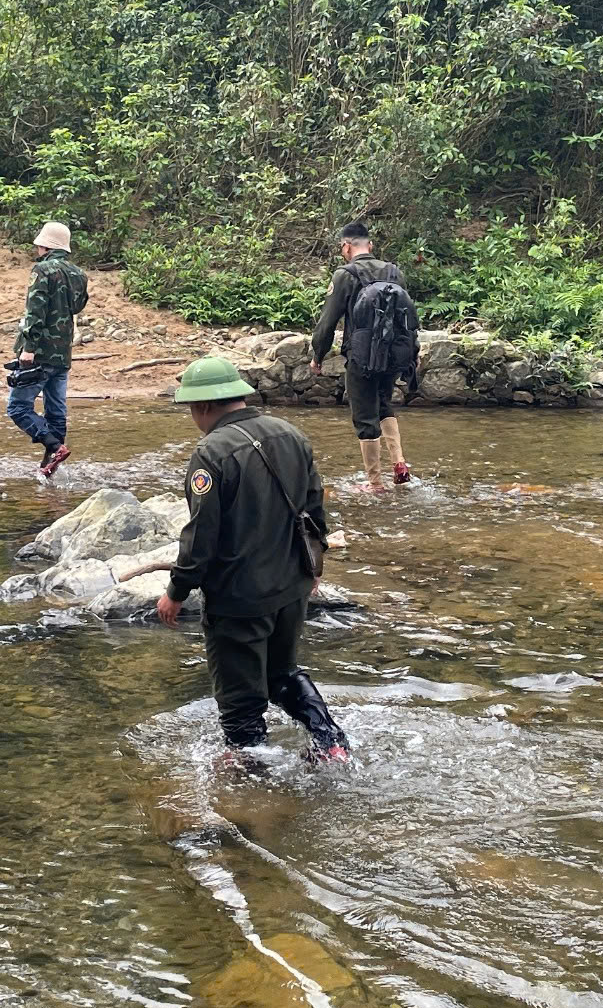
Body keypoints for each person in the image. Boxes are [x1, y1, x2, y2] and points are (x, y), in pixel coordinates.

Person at [156, 355, 350, 768]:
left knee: (240, 699)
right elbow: (315, 511)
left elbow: (200, 536)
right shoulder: (291, 435)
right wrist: (313, 570)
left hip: (239, 597)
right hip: (292, 585)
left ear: (203, 406)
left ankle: (251, 778)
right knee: (281, 673)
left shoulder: (211, 454)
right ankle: (329, 739)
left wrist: (176, 591)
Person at [309, 222, 416, 488]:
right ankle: (399, 462)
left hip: (361, 356)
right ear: (370, 245)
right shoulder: (394, 272)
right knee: (383, 403)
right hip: (393, 354)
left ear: (346, 247)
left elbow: (327, 322)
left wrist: (318, 355)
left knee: (364, 415)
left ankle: (375, 483)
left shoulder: (345, 275)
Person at [9, 221, 88, 480]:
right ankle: (49, 470)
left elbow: (35, 310)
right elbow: (77, 307)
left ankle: (55, 447)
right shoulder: (79, 274)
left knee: (18, 407)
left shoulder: (42, 270)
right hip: (63, 353)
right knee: (56, 410)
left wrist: (28, 348)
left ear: (44, 245)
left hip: (39, 352)